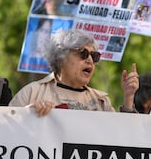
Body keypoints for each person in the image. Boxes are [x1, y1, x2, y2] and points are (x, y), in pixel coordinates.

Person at [9, 29, 139, 117]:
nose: (89, 60)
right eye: (83, 53)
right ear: (61, 58)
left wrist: (128, 97)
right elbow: (5, 129)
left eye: (94, 56)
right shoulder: (32, 93)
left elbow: (121, 138)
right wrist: (27, 114)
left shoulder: (101, 101)